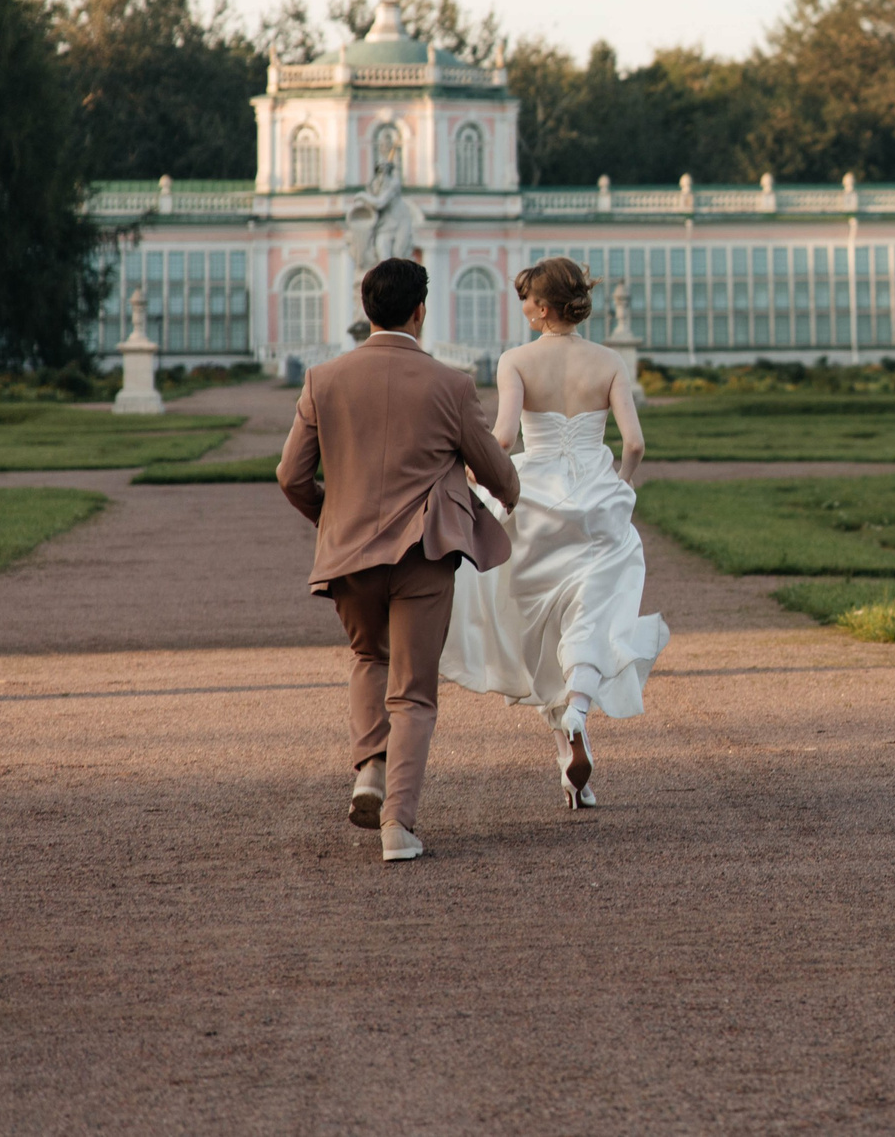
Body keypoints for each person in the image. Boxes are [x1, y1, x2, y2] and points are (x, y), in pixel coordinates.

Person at [277, 258, 520, 865]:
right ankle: (398, 826)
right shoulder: (452, 384)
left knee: (367, 658)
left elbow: (290, 476)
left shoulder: (323, 379)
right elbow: (497, 473)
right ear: (420, 310)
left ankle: (370, 769)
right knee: (413, 693)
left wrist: (331, 518)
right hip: (424, 555)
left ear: (366, 310)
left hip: (349, 555)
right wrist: (509, 494)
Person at [440, 257, 668, 809]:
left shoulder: (516, 360)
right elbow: (634, 443)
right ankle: (578, 715)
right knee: (592, 608)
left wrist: (474, 469)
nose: (522, 310)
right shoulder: (609, 361)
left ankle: (568, 732)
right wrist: (619, 484)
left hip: (535, 496)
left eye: (525, 301)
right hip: (596, 495)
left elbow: (503, 432)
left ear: (542, 308)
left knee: (536, 620)